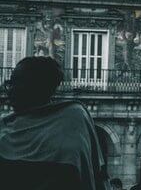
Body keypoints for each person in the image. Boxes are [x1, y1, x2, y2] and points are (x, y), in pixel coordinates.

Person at [0, 56, 107, 190]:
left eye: (16, 83)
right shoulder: (5, 124)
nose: (9, 90)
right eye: (9, 83)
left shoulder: (73, 118)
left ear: (37, 86)